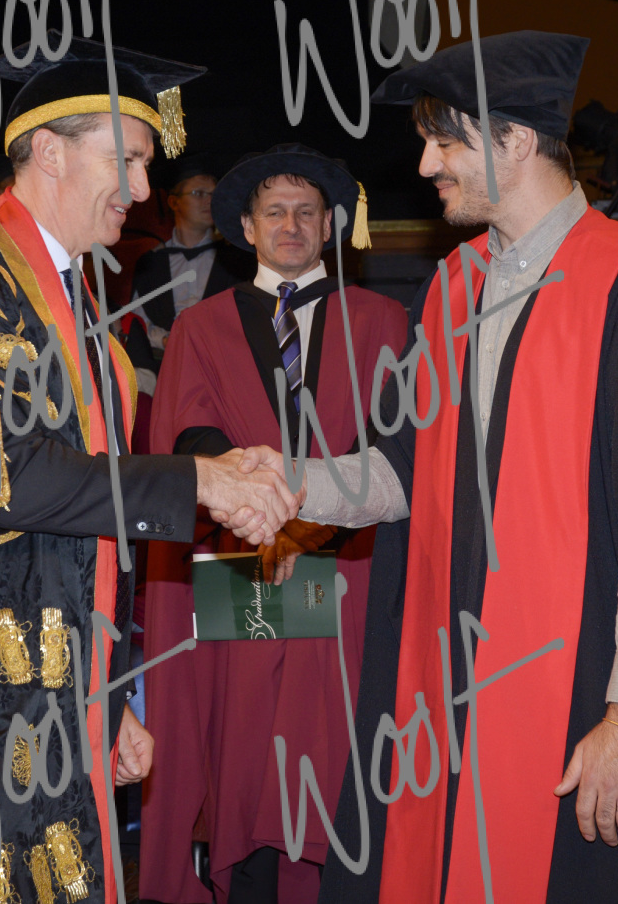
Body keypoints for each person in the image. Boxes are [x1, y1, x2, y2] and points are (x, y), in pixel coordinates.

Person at [220, 32, 618, 901]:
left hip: (584, 682)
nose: (426, 164)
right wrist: (286, 479)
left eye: (445, 142)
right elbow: (400, 472)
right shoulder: (452, 290)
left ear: (517, 140)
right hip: (456, 682)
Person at [0, 37, 302, 904]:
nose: (141, 189)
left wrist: (102, 698)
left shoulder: (78, 312)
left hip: (40, 703)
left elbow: (78, 525)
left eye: (146, 165)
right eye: (126, 160)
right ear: (49, 151)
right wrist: (201, 483)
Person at [139, 145, 405, 904]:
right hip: (243, 563)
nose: (291, 225)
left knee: (335, 751)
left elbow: (393, 448)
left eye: (307, 212)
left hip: (348, 563)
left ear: (329, 226)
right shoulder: (200, 327)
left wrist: (307, 528)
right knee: (249, 755)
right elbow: (190, 437)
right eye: (275, 213)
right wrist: (266, 523)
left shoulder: (384, 321)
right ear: (247, 229)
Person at [126, 153, 256, 385]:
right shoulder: (151, 263)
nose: (209, 202)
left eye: (213, 195)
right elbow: (139, 320)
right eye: (199, 194)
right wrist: (166, 341)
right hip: (162, 369)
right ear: (174, 202)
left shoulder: (237, 261)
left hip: (224, 371)